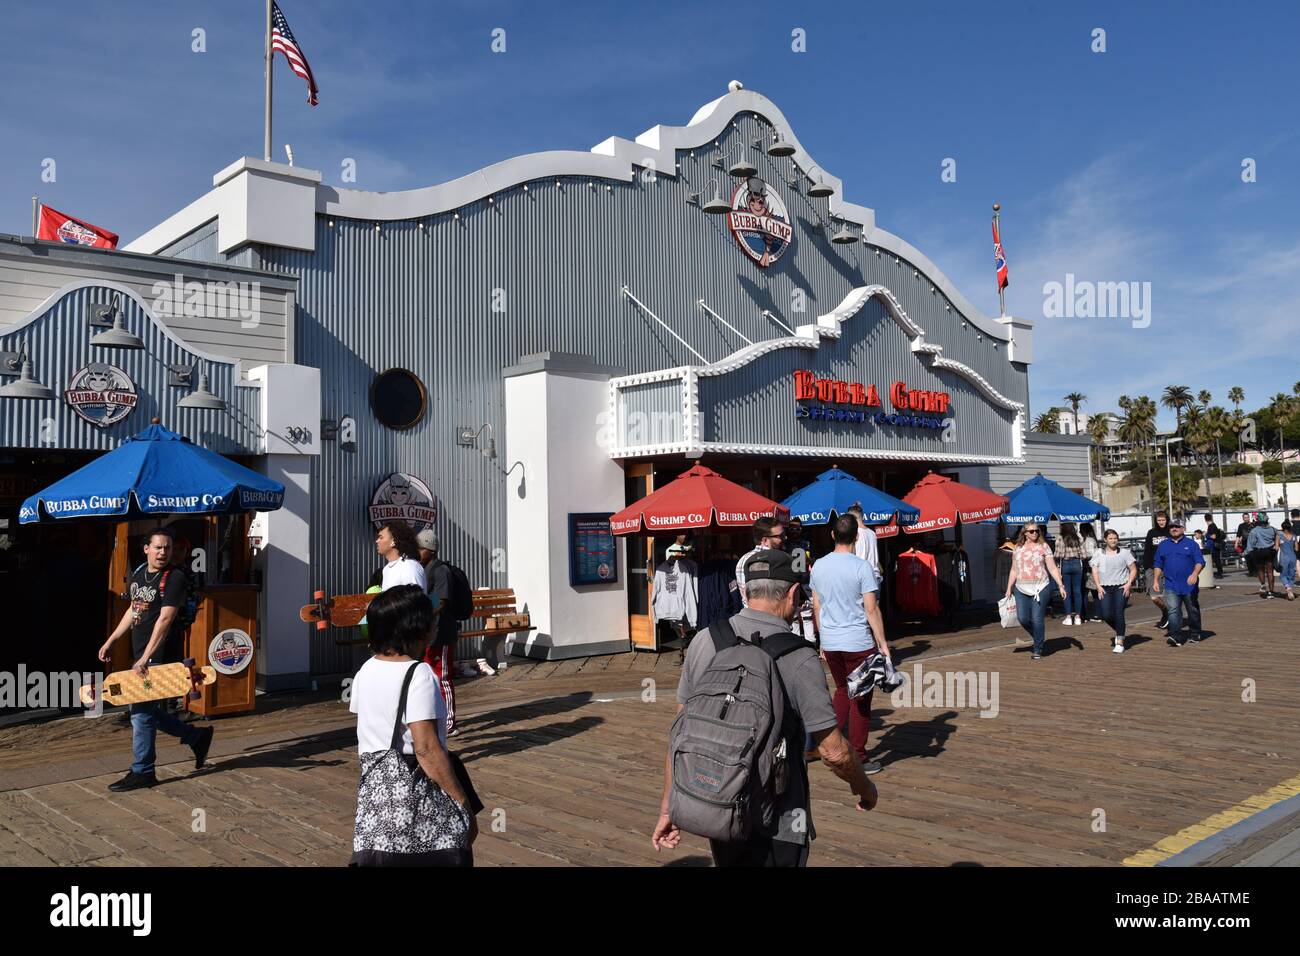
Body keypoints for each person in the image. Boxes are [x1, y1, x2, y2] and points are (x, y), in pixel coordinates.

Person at [652, 550, 878, 867]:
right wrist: (864, 787)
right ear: (793, 594)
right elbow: (834, 752)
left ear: (746, 592)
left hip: (720, 802)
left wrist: (669, 807)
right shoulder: (800, 657)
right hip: (783, 816)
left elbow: (680, 731)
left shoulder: (705, 641)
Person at [349, 585, 478, 866]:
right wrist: (463, 804)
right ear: (416, 628)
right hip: (415, 796)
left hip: (375, 801)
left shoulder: (365, 670)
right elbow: (426, 748)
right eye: (430, 618)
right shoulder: (419, 674)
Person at [97, 528, 213, 791]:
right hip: (141, 654)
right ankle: (196, 736)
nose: (163, 553)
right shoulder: (138, 574)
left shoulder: (175, 578)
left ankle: (143, 771)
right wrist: (112, 640)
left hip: (160, 655)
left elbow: (165, 620)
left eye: (168, 548)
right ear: (146, 549)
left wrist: (147, 658)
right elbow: (133, 609)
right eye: (158, 547)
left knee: (139, 712)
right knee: (146, 711)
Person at [809, 514, 892, 775]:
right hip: (858, 641)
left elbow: (817, 605)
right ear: (857, 537)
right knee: (861, 700)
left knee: (843, 690)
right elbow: (871, 608)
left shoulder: (819, 566)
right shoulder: (861, 567)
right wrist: (883, 644)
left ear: (833, 535)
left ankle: (826, 745)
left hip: (832, 641)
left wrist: (823, 639)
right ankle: (858, 756)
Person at [417, 529, 461, 733]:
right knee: (430, 677)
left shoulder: (440, 570)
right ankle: (436, 716)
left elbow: (442, 601)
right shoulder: (423, 569)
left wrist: (425, 614)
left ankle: (450, 722)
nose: (418, 552)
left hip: (442, 631)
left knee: (442, 676)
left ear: (431, 550)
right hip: (429, 631)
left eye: (421, 548)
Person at [1004, 523, 1066, 660]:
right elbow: (1014, 569)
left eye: (1036, 531)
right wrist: (1009, 588)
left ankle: (1037, 648)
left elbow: (1052, 568)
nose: (1034, 533)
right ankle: (1039, 638)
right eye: (1031, 531)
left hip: (1040, 587)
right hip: (1021, 588)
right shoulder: (1018, 548)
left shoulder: (1044, 547)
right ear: (1024, 533)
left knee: (1037, 619)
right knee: (1023, 618)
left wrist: (1061, 585)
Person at [1152, 517, 1204, 646]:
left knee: (1192, 609)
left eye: (1176, 527)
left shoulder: (1191, 544)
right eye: (1171, 527)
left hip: (1189, 585)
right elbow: (1158, 563)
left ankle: (1195, 632)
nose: (1173, 529)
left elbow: (1200, 562)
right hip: (1171, 584)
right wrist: (1156, 580)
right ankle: (1176, 636)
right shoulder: (1163, 545)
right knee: (1173, 610)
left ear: (1183, 529)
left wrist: (1194, 574)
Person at [1091, 529, 1137, 653]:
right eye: (1110, 538)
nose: (1113, 540)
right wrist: (1098, 586)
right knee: (1106, 614)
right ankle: (1120, 631)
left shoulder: (1125, 553)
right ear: (1105, 539)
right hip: (1104, 587)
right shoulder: (1098, 553)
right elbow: (1094, 570)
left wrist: (1129, 584)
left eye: (1115, 538)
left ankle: (1120, 642)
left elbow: (1133, 569)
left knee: (1118, 612)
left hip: (1121, 586)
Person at [735, 516, 786, 608]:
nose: (784, 538)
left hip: (750, 615)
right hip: (770, 616)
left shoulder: (743, 559)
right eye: (780, 536)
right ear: (765, 540)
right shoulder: (773, 559)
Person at [377, 521, 427, 591]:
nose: (377, 541)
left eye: (381, 537)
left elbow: (416, 600)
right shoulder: (386, 569)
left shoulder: (409, 567)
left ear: (393, 541)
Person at [1143, 512, 1173, 628]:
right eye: (1159, 520)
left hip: (1168, 567)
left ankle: (1173, 616)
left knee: (1170, 595)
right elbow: (1147, 551)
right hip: (1153, 568)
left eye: (1163, 520)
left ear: (1167, 520)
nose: (1161, 522)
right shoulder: (1151, 533)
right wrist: (1146, 567)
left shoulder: (1171, 531)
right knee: (1154, 597)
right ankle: (1166, 611)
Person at [1054, 522, 1087, 626]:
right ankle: (1078, 617)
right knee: (1077, 591)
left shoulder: (1060, 537)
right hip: (1077, 564)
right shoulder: (1078, 538)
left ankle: (1068, 617)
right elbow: (1084, 555)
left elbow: (1058, 554)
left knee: (1066, 591)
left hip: (1066, 564)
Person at [1246, 513, 1279, 598]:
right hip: (1270, 551)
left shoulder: (1254, 531)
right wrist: (1276, 545)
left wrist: (1245, 552)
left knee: (1260, 569)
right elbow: (1280, 535)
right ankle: (1271, 592)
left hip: (1259, 551)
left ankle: (1263, 585)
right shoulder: (1273, 529)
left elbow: (1251, 544)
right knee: (1270, 571)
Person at [846, 504, 881, 578]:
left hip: (863, 577)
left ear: (853, 518)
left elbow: (858, 558)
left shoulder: (856, 533)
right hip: (875, 576)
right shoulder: (872, 533)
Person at [1079, 522, 1098, 621]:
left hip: (1090, 569)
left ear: (1084, 530)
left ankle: (1097, 614)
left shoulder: (1089, 540)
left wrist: (1081, 556)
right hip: (1088, 568)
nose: (1079, 532)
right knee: (1088, 592)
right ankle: (1088, 614)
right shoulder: (1087, 540)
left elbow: (1091, 553)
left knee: (1092, 592)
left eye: (1080, 530)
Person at [1280, 522, 1297, 601]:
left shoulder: (1279, 536)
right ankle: (1289, 590)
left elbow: (1276, 547)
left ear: (1282, 528)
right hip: (1293, 557)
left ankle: (1288, 587)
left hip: (1284, 558)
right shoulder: (1294, 536)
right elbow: (1296, 549)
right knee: (1291, 575)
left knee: (1283, 575)